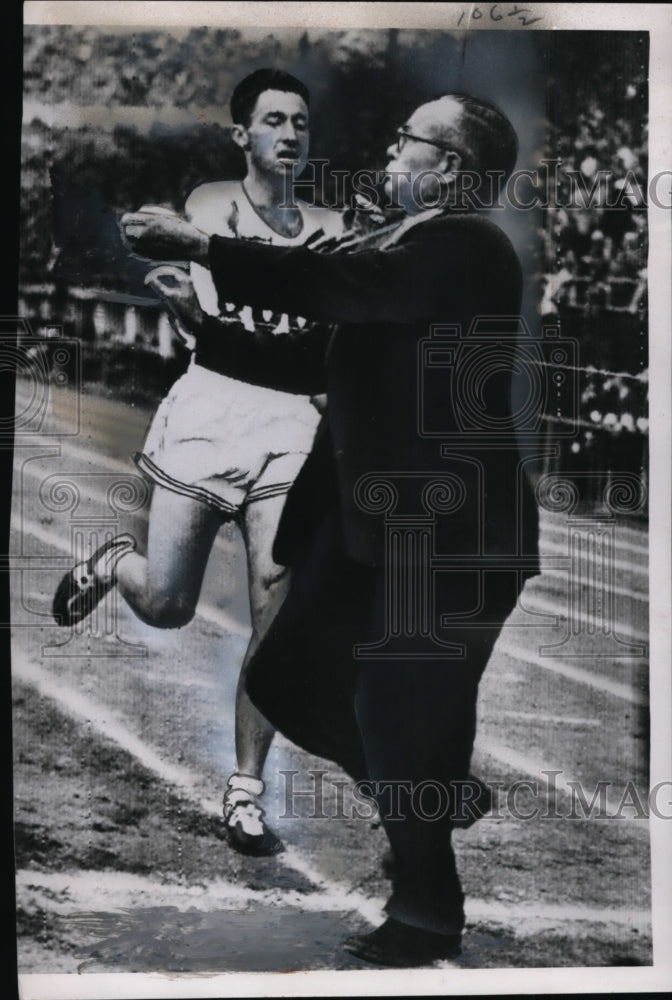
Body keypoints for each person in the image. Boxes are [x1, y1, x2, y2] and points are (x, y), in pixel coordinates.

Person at [121, 93, 541, 967]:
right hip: (373, 530)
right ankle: (432, 789)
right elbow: (317, 351)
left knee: (405, 718)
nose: (388, 148)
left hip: (451, 541)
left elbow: (345, 290)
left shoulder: (465, 246)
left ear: (451, 171)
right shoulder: (404, 246)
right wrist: (202, 318)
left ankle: (426, 912)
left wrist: (202, 244)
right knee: (286, 674)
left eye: (405, 137)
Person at [52, 69, 343, 856]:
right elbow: (230, 277)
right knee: (170, 604)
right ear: (241, 134)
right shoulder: (214, 202)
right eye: (273, 120)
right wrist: (193, 300)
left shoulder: (332, 220)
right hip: (215, 408)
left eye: (301, 122)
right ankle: (118, 565)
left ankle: (246, 789)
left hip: (290, 421)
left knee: (274, 604)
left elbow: (323, 321)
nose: (290, 133)